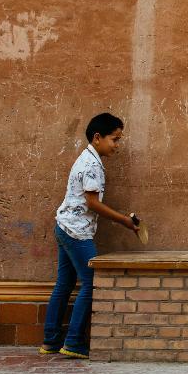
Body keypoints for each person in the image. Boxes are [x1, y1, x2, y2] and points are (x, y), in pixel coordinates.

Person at [39, 113, 138, 359]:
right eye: (114, 140)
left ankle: (50, 341)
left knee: (64, 285)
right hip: (76, 233)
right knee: (93, 282)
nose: (117, 146)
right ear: (97, 137)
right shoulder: (92, 164)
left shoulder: (86, 158)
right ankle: (73, 342)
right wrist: (124, 220)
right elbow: (92, 203)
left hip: (64, 227)